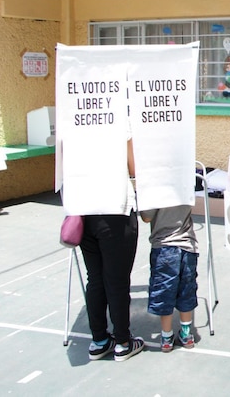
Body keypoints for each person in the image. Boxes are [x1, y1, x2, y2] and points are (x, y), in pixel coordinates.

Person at [80, 139, 145, 361]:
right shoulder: (118, 120)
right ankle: (123, 342)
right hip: (116, 207)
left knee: (95, 279)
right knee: (116, 280)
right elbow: (134, 167)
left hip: (84, 207)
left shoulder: (74, 118)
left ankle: (99, 340)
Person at [141, 204, 199, 352]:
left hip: (164, 246)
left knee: (164, 291)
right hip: (187, 244)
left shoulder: (155, 186)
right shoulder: (186, 183)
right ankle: (186, 334)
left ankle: (167, 336)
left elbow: (146, 217)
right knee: (186, 289)